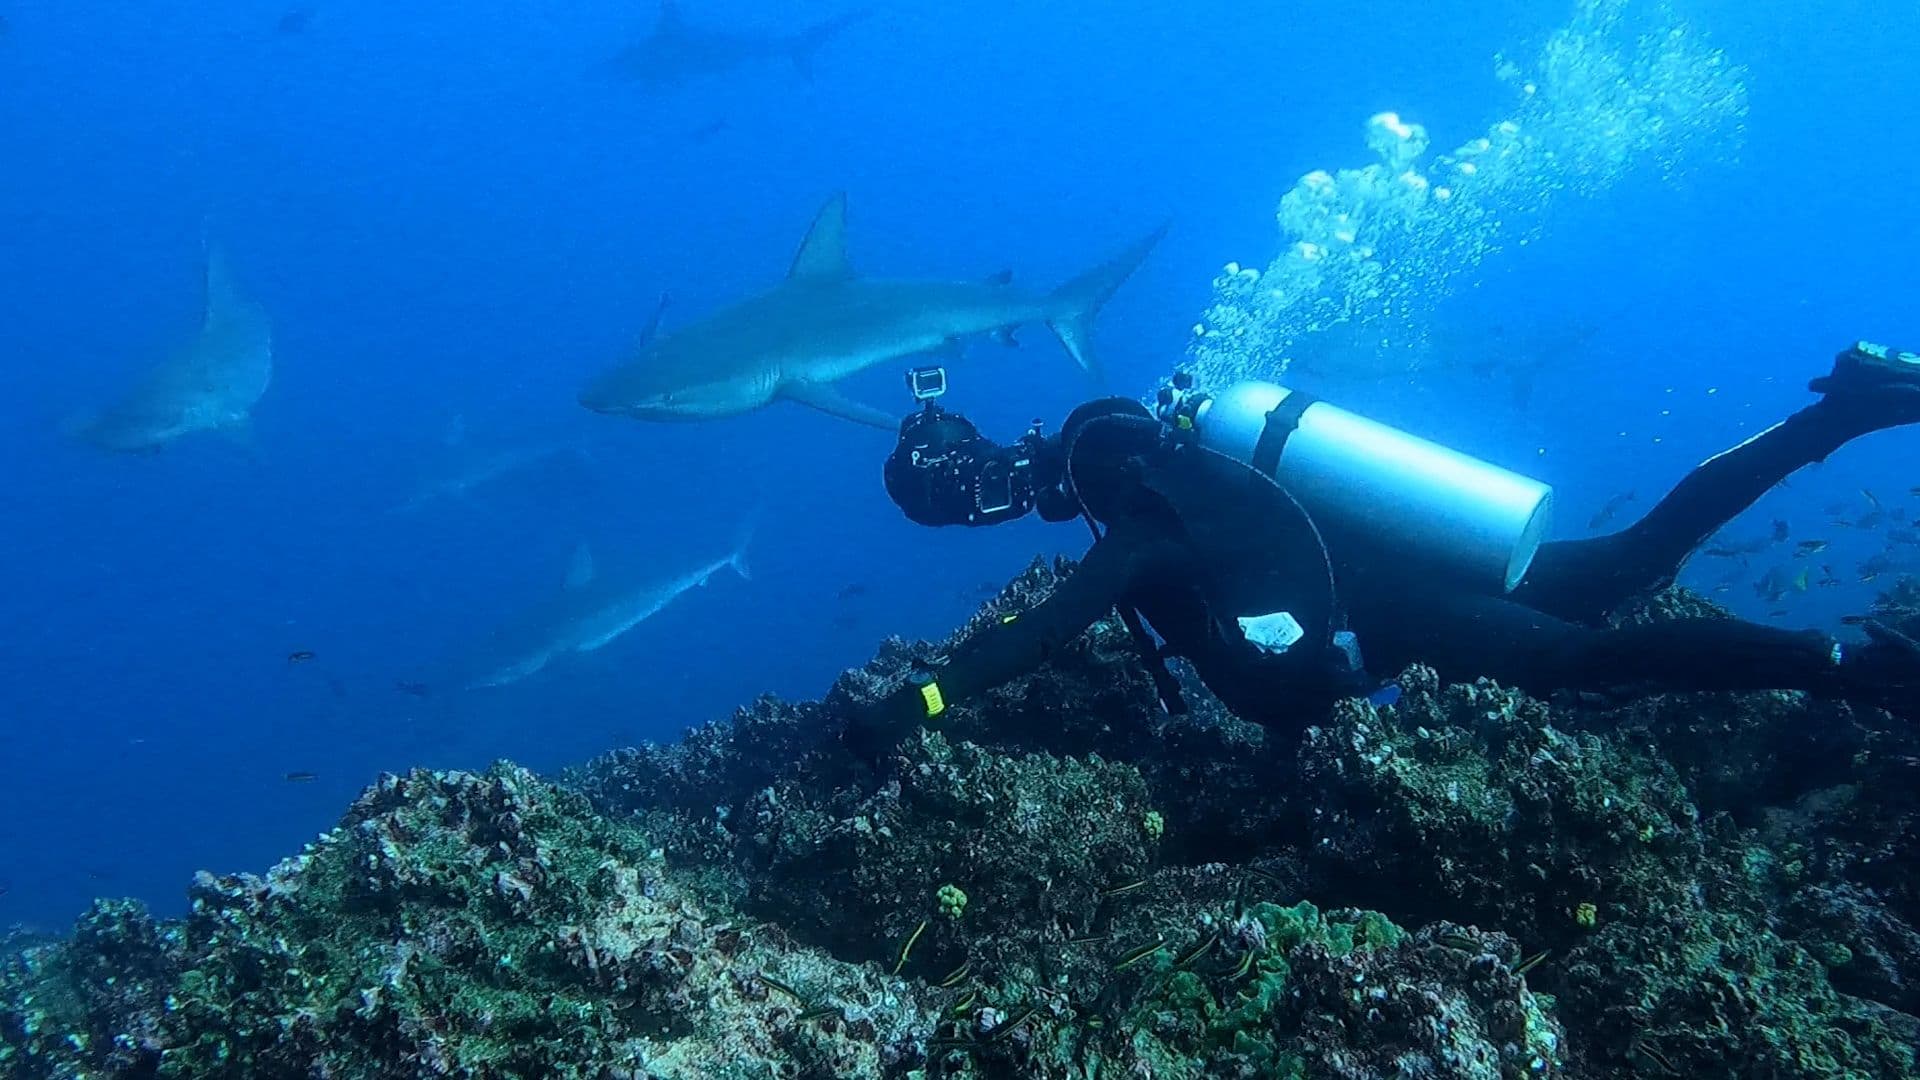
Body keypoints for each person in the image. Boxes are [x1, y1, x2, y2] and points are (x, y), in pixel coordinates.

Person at [845, 341, 1920, 760]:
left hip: (1386, 609)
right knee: (1628, 563)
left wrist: (913, 707)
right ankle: (1840, 415)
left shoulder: (1142, 523)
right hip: (1405, 568)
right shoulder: (1195, 470)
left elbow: (1034, 637)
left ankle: (1855, 673)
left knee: (1574, 659)